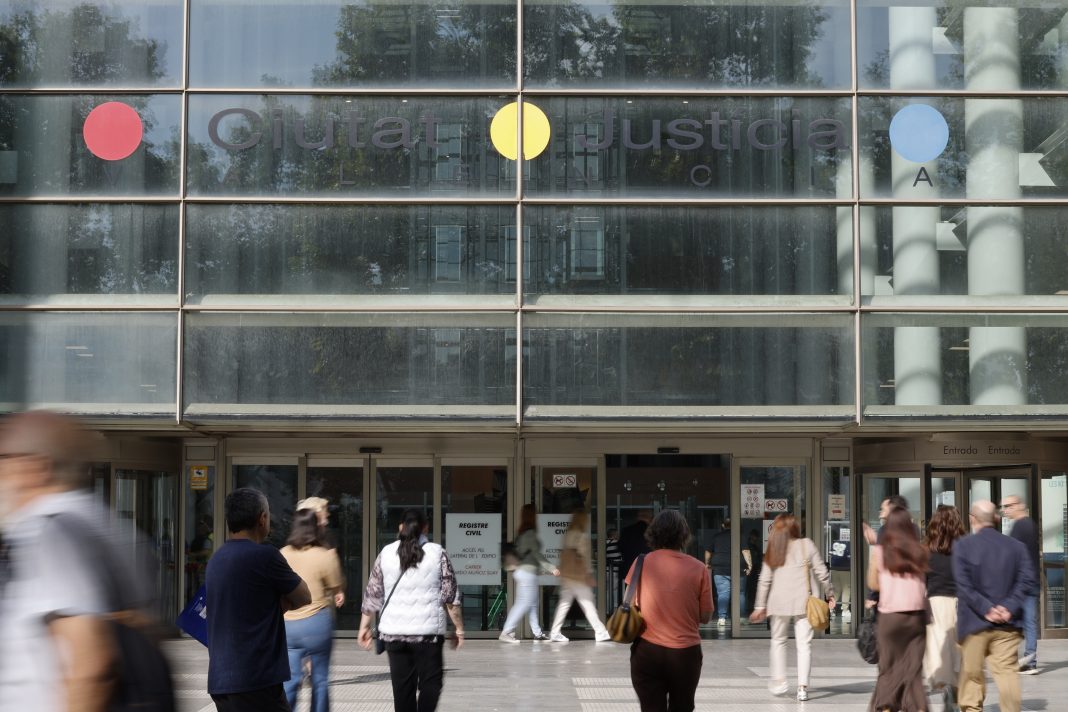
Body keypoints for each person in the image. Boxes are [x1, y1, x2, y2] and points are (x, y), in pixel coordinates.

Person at [0, 411, 156, 712]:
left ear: (34, 467)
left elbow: (91, 665)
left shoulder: (48, 533)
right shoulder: (114, 529)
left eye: (4, 460)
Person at [206, 488, 311, 712]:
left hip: (221, 681)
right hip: (257, 679)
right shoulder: (266, 556)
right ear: (262, 518)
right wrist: (281, 603)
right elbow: (304, 595)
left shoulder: (216, 559)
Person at [358, 509, 465, 712]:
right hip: (428, 636)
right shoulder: (438, 553)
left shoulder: (386, 553)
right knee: (431, 684)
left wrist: (364, 626)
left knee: (402, 691)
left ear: (401, 527)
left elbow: (373, 593)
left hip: (394, 634)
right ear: (426, 528)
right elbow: (451, 598)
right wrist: (458, 628)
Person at [625, 509, 713, 712]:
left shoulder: (641, 563)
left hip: (647, 651)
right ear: (684, 535)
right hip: (685, 654)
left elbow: (628, 603)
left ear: (653, 533)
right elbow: (706, 616)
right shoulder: (699, 568)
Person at [953, 501, 1035, 712]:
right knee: (1007, 673)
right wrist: (1008, 607)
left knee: (972, 674)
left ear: (972, 519)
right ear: (996, 519)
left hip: (974, 623)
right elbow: (1027, 579)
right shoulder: (1016, 547)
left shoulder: (963, 546)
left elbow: (963, 585)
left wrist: (987, 609)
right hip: (1007, 625)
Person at [749, 513, 835, 702]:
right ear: (795, 527)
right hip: (804, 601)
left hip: (778, 603)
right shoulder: (807, 544)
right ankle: (802, 688)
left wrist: (760, 605)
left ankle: (780, 682)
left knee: (778, 642)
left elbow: (764, 579)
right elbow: (822, 572)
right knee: (804, 645)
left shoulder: (773, 548)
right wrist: (830, 593)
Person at [281, 508, 346, 712]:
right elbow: (336, 585)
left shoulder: (282, 554)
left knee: (290, 680)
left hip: (288, 624)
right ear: (316, 528)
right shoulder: (324, 555)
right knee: (320, 680)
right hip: (316, 623)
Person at [867, 505, 928, 712]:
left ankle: (886, 706)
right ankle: (917, 707)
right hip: (917, 616)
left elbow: (873, 584)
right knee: (913, 669)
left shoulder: (879, 551)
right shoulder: (921, 550)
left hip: (890, 616)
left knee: (889, 667)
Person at [923, 505, 967, 709]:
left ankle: (945, 684)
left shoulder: (927, 549)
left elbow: (922, 580)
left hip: (935, 603)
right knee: (958, 649)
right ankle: (955, 690)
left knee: (939, 648)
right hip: (959, 602)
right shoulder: (964, 547)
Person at [549, 508, 611, 642]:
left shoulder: (568, 535)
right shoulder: (582, 537)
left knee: (564, 604)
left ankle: (554, 632)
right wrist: (588, 574)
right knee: (587, 603)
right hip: (578, 577)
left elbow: (564, 555)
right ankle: (600, 632)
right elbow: (585, 558)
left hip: (567, 575)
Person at [500, 504, 559, 642]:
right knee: (523, 603)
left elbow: (529, 556)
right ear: (532, 516)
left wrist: (540, 570)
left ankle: (537, 632)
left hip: (525, 572)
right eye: (536, 514)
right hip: (527, 574)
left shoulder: (523, 533)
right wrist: (552, 568)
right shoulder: (530, 534)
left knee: (532, 603)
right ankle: (506, 631)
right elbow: (537, 554)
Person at [1000, 494, 1040, 674]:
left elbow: (1012, 556)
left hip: (1020, 583)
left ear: (1018, 505)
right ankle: (1030, 662)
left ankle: (1015, 661)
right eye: (1003, 507)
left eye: (1008, 506)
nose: (1004, 510)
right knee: (1030, 622)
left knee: (1012, 622)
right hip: (1032, 580)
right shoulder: (1031, 524)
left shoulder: (1019, 526)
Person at [618, 509, 652, 603]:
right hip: (648, 569)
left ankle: (629, 609)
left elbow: (620, 547)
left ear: (638, 517)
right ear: (649, 518)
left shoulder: (627, 530)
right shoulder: (652, 532)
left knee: (629, 597)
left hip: (629, 568)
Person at [704, 519, 732, 626]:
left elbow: (708, 551)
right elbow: (745, 551)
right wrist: (749, 565)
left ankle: (722, 618)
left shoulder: (716, 537)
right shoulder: (739, 536)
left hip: (719, 568)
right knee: (740, 593)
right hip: (736, 567)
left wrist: (707, 563)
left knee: (723, 593)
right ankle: (741, 618)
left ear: (723, 525)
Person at [743, 528, 762, 617]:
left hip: (754, 569)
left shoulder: (755, 547)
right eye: (754, 536)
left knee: (752, 589)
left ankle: (750, 607)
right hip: (749, 569)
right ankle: (748, 607)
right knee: (748, 589)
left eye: (756, 537)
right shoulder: (748, 545)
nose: (755, 538)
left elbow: (758, 558)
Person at [605, 527, 623, 609]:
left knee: (607, 590)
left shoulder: (603, 543)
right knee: (614, 590)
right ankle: (614, 607)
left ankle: (606, 606)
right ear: (614, 534)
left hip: (605, 570)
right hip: (615, 570)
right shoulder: (617, 543)